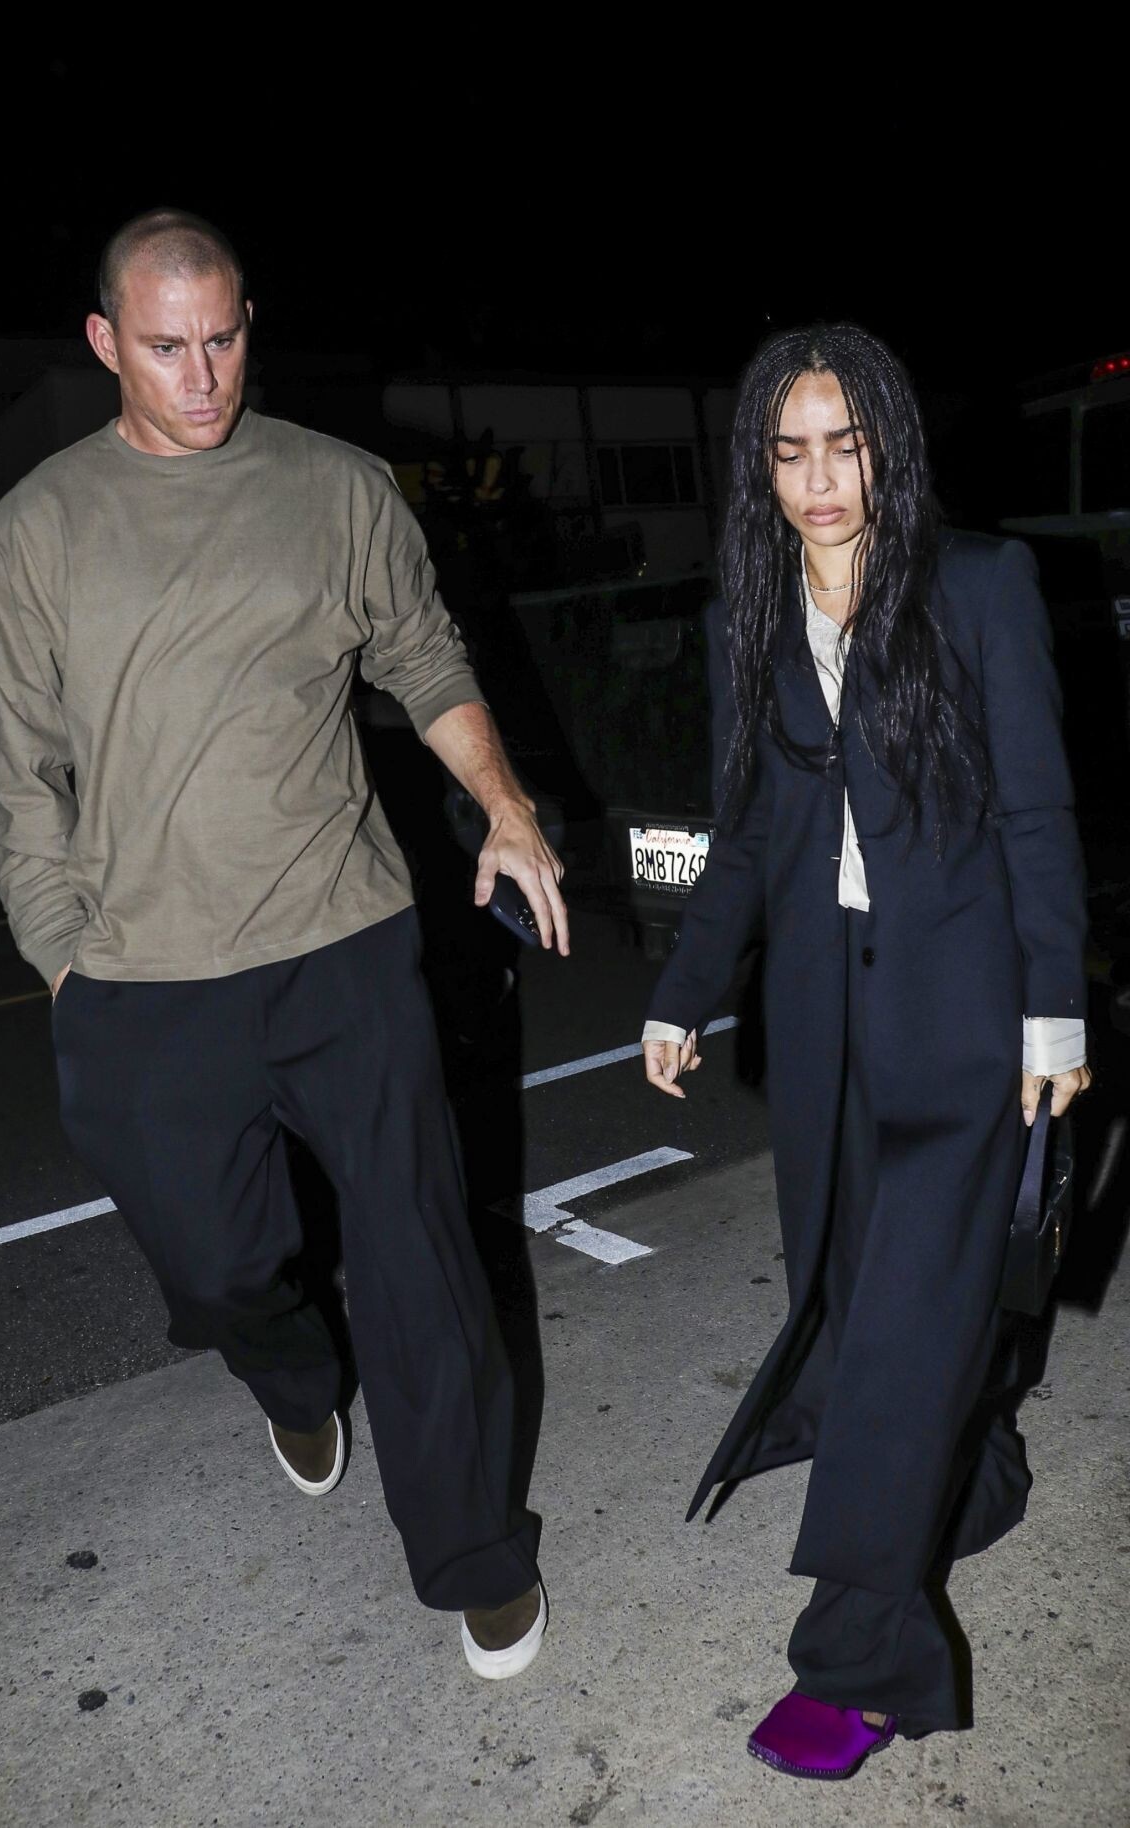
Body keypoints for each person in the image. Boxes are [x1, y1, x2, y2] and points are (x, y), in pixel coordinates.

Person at [0, 208, 569, 1681]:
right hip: (140, 975)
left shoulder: (338, 486)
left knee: (422, 1250)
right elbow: (26, 777)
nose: (202, 376)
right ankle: (293, 1369)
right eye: (165, 347)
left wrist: (505, 805)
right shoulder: (33, 531)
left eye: (224, 339)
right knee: (220, 1268)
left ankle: (476, 1551)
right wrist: (65, 962)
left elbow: (422, 655)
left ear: (250, 324)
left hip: (341, 941)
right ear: (106, 343)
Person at [642, 323, 1090, 1779]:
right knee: (847, 1302)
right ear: (760, 467)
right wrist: (684, 992)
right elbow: (748, 833)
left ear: (889, 442)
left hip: (964, 1018)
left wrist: (1053, 1009)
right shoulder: (752, 613)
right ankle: (974, 1479)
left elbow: (1036, 812)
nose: (821, 478)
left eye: (846, 444)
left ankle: (865, 1659)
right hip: (823, 1022)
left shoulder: (979, 585)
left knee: (898, 1341)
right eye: (791, 451)